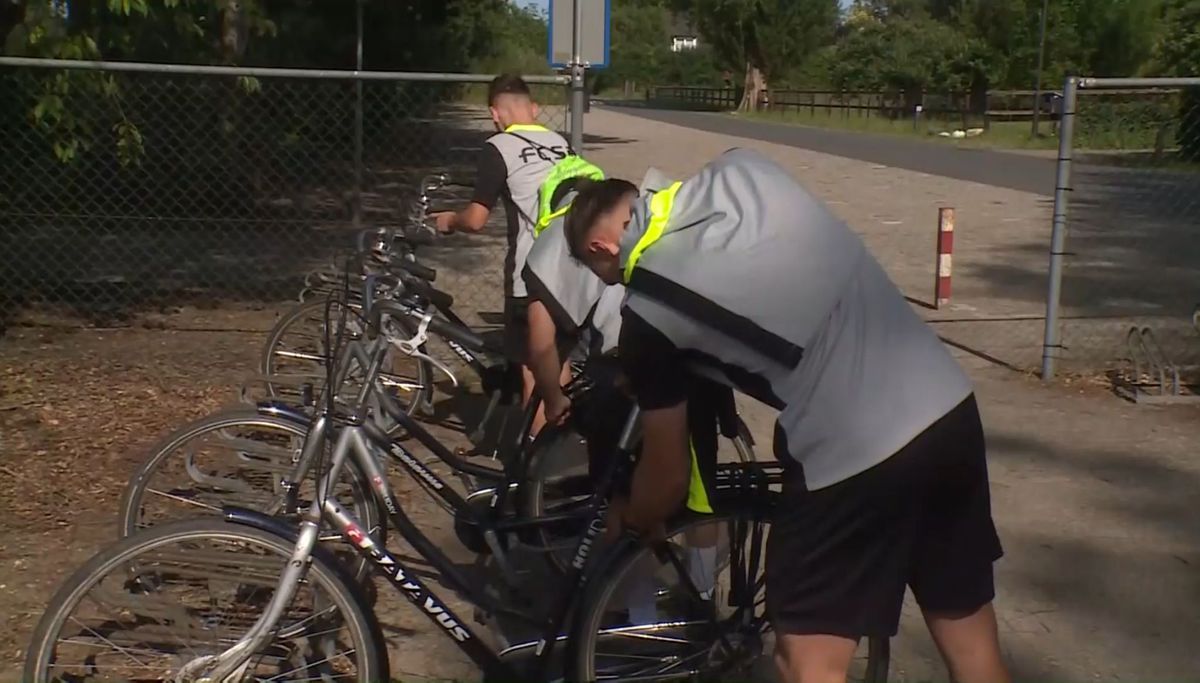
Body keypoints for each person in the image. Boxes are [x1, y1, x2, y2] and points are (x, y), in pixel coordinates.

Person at [562, 148, 1009, 683]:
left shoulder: (646, 316)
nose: (614, 287)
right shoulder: (739, 172)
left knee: (807, 663)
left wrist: (636, 517)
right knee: (972, 647)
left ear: (601, 247)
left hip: (852, 455)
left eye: (603, 275)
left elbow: (669, 474)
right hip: (946, 407)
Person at [524, 161, 724, 622]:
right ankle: (702, 603)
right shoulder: (665, 212)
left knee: (619, 503)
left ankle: (640, 618)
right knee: (701, 500)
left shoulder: (551, 244)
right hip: (693, 367)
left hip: (626, 370)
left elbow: (539, 341)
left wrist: (555, 399)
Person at [430, 74, 570, 421]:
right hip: (571, 272)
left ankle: (537, 457)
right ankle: (566, 448)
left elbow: (476, 219)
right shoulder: (562, 144)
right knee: (559, 361)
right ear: (534, 108)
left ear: (495, 113)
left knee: (531, 368)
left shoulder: (499, 148)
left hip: (531, 274)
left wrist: (448, 220)